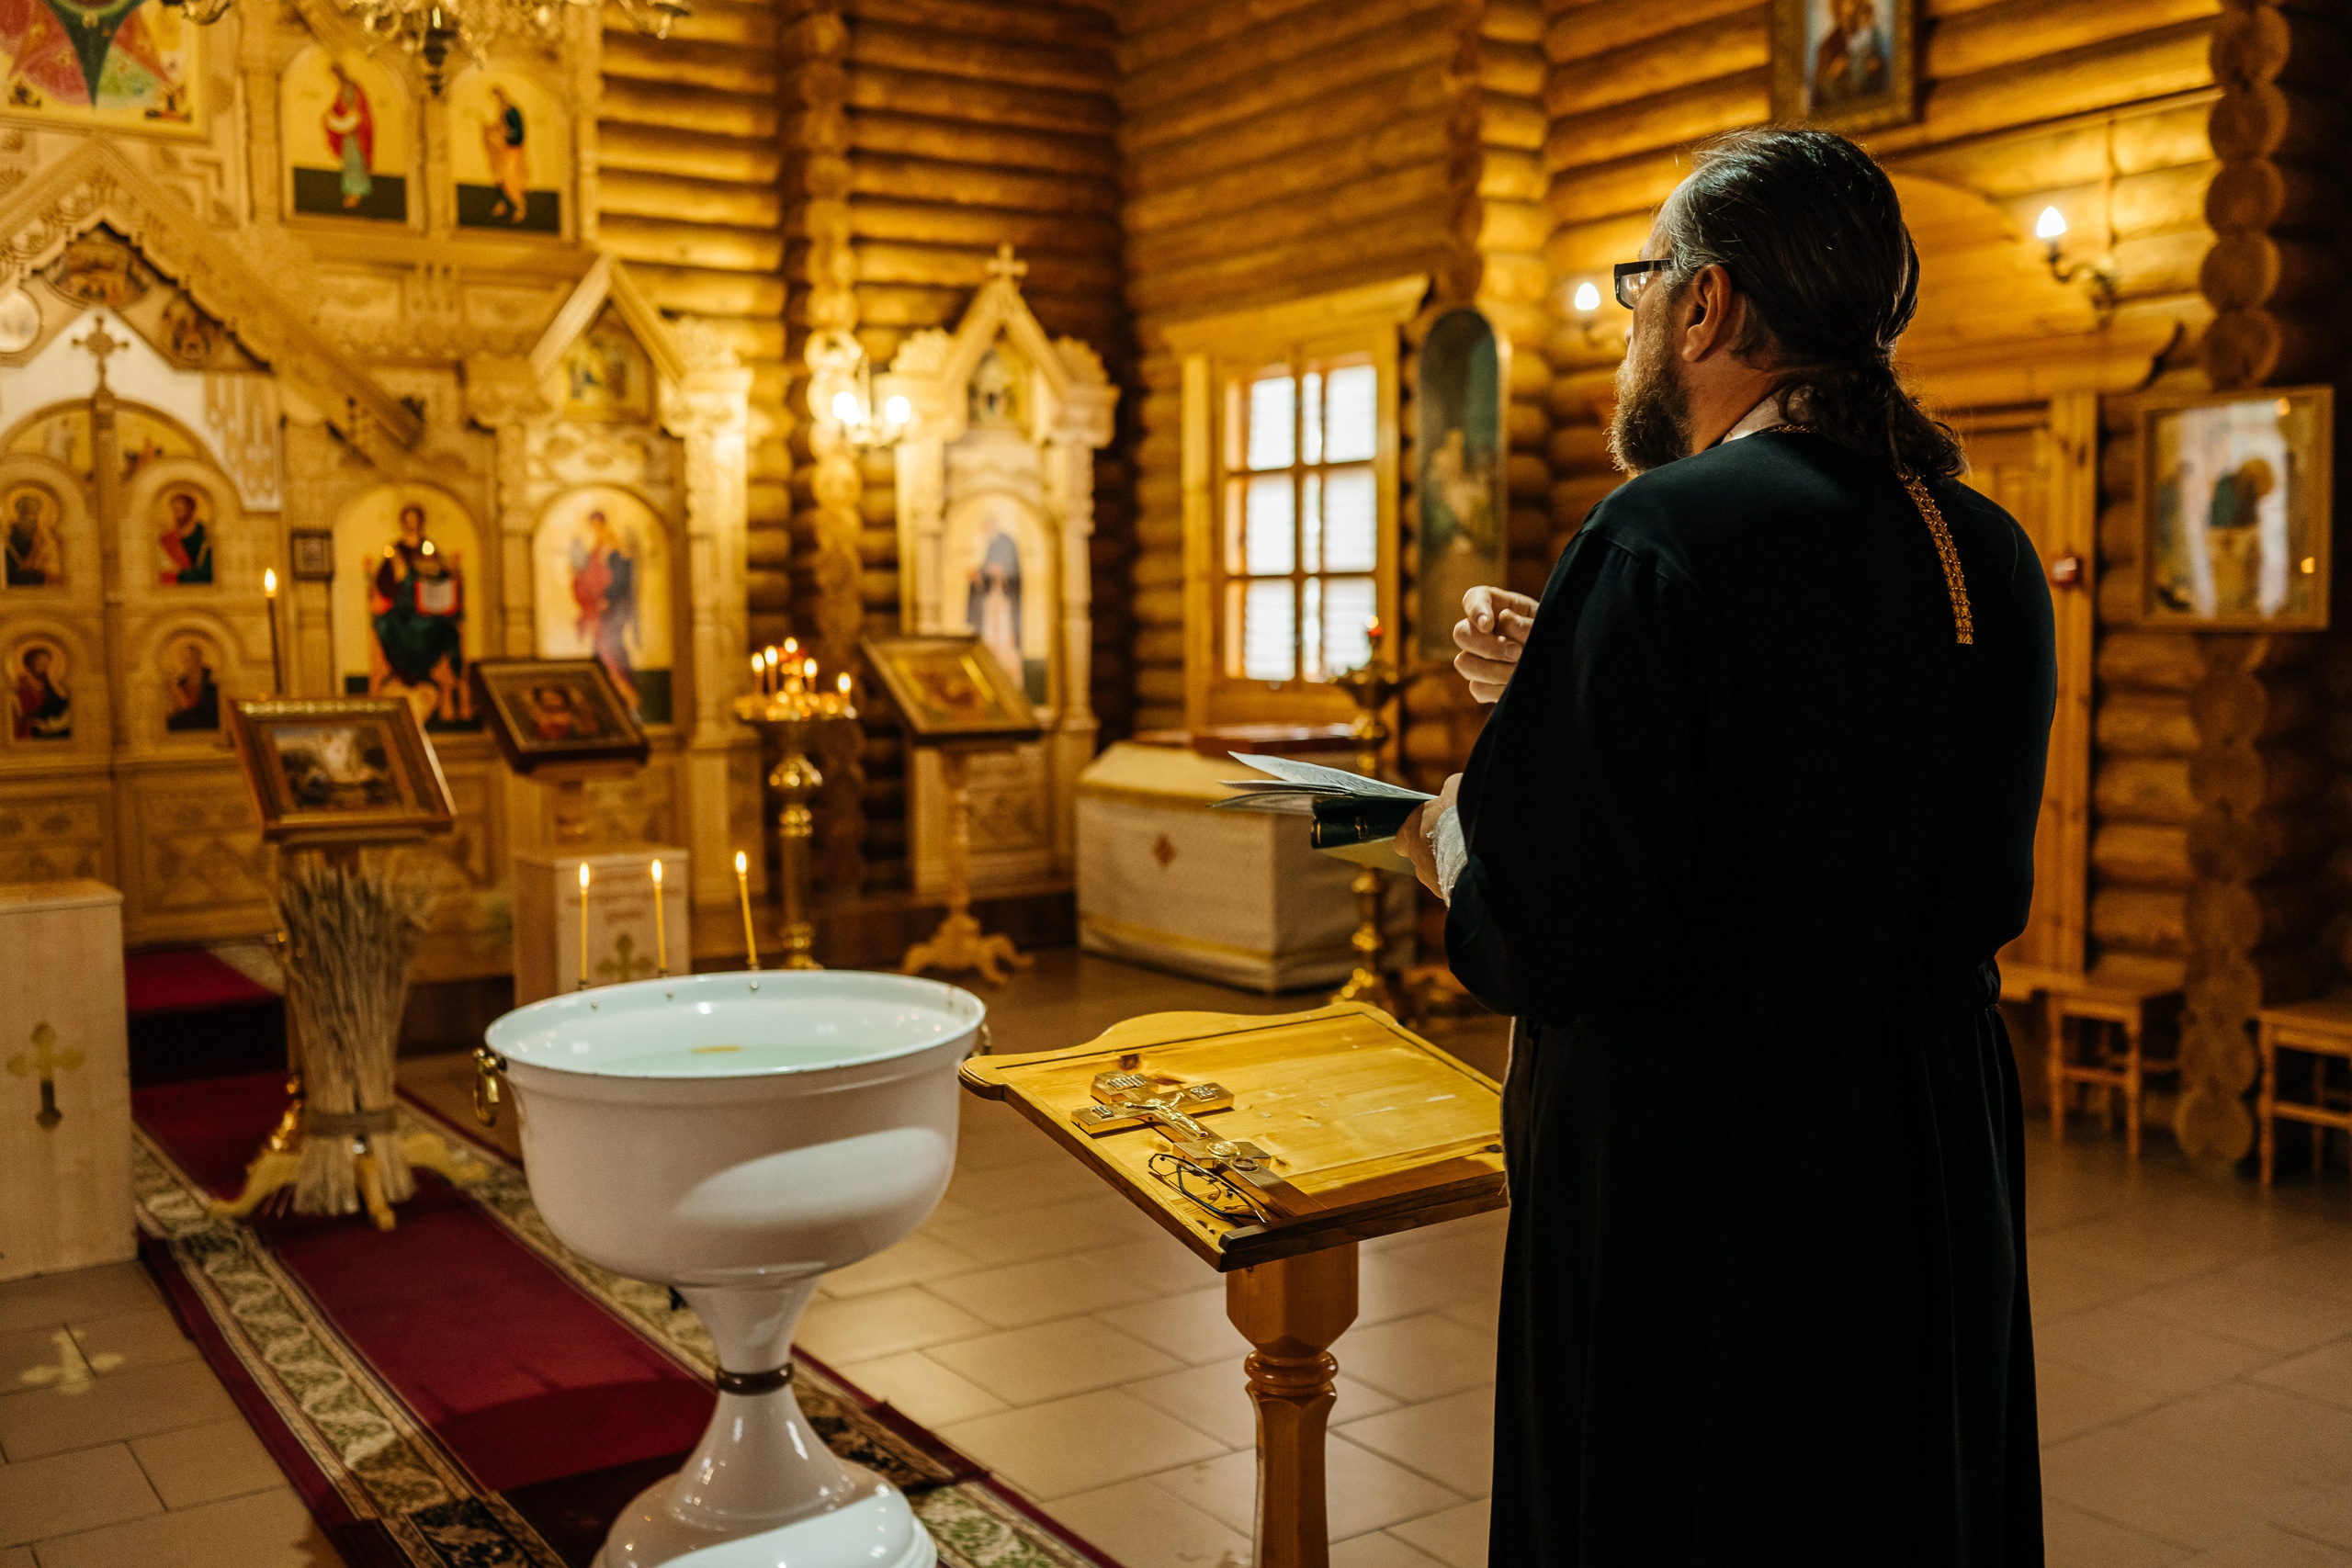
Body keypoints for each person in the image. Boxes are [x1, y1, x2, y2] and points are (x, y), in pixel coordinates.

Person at [1396, 129, 2053, 1565]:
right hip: (1925, 1136)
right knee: (1891, 1488)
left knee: (1693, 1496)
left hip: (1704, 1155)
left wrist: (1456, 831)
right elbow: (1829, 773)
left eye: (1646, 281)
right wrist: (1561, 697)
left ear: (1706, 304)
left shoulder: (1663, 530)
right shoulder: (1983, 544)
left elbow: (1554, 927)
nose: (1635, 319)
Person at [368, 502, 469, 723]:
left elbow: (442, 577)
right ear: (404, 522)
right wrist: (398, 574)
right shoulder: (395, 551)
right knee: (385, 624)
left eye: (415, 520)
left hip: (428, 610)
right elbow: (383, 585)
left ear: (420, 522)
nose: (412, 524)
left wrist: (444, 569)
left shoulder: (428, 548)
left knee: (445, 627)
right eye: (408, 520)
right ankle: (401, 675)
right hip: (402, 609)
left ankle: (447, 696)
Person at [322, 62, 374, 210]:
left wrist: (352, 118)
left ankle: (357, 193)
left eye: (334, 77)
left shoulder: (354, 88)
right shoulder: (341, 90)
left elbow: (361, 110)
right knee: (349, 164)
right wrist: (329, 117)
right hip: (347, 136)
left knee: (357, 163)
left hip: (357, 135)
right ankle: (351, 192)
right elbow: (337, 109)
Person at [481, 85, 530, 223]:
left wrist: (503, 136)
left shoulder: (512, 111)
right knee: (499, 175)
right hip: (504, 149)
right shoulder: (503, 111)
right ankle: (503, 203)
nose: (497, 101)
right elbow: (500, 127)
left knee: (510, 177)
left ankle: (520, 206)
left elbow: (516, 132)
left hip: (512, 149)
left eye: (497, 97)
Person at [14, 646, 69, 740]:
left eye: (47, 663)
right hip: (27, 728)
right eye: (40, 662)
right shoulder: (19, 683)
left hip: (47, 726)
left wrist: (55, 684)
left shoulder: (48, 682)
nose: (44, 666)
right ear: (29, 663)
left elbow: (60, 706)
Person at [157, 491, 212, 585]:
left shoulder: (206, 534)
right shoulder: (169, 537)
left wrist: (180, 573)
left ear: (191, 510)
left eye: (179, 510)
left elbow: (207, 574)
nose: (175, 515)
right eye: (174, 511)